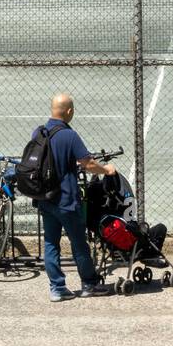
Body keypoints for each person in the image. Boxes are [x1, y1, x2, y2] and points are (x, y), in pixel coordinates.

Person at [31, 94, 116, 301]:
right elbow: (88, 164)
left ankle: (57, 288)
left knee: (51, 243)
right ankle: (89, 284)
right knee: (79, 244)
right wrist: (107, 170)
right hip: (66, 200)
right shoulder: (69, 135)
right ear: (69, 111)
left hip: (45, 199)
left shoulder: (38, 132)